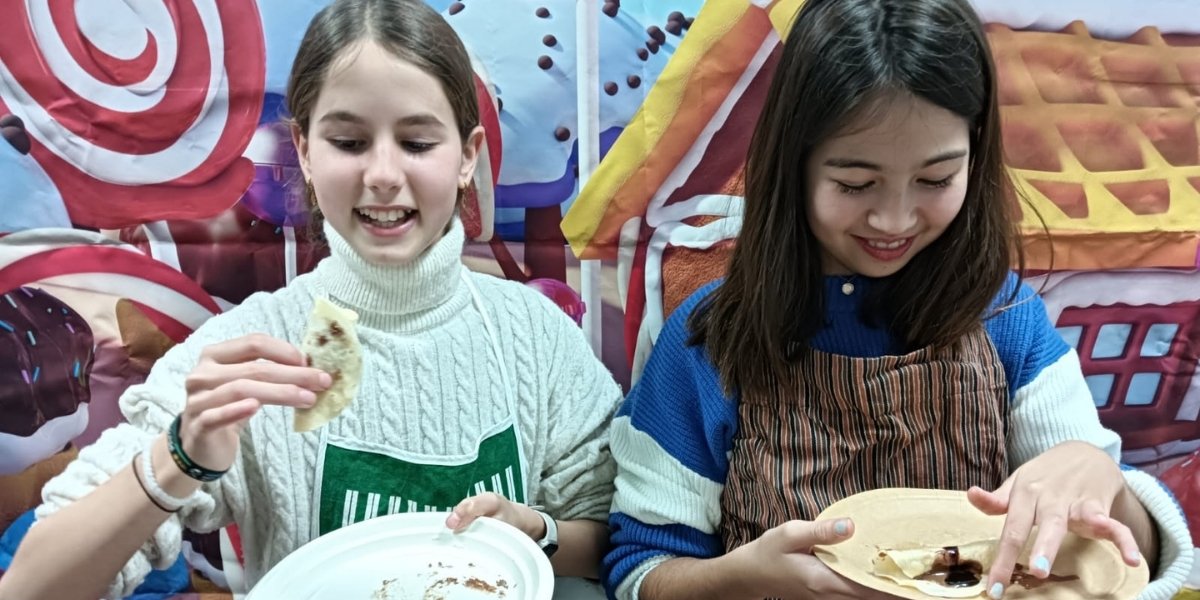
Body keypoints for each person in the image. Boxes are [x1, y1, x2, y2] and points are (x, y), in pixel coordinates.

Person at [0, 1, 622, 598]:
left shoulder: (535, 338)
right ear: (303, 151)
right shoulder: (247, 358)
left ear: (468, 156)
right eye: (349, 142)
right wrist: (178, 458)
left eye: (417, 142)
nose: (383, 174)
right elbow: (31, 587)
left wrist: (536, 534)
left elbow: (612, 541)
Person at [602, 0, 1193, 599]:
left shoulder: (1005, 318)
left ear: (975, 155)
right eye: (855, 184)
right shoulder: (711, 338)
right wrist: (743, 575)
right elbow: (640, 570)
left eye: (935, 180)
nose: (894, 220)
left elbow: (1128, 550)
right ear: (794, 164)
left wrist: (1101, 477)